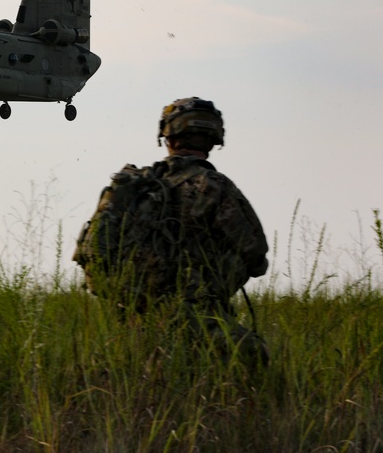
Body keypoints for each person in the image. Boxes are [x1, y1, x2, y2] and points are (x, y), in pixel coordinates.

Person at [74, 97, 269, 365]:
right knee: (254, 356)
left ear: (168, 137)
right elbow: (256, 254)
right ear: (214, 139)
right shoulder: (213, 186)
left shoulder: (138, 186)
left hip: (130, 317)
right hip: (194, 316)